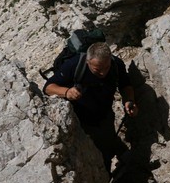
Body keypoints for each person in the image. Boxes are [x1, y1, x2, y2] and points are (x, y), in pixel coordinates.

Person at [43, 42, 138, 174]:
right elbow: (48, 87)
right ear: (88, 62)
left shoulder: (116, 64)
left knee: (105, 154)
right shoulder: (74, 65)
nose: (103, 72)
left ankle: (106, 182)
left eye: (106, 67)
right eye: (97, 69)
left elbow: (125, 85)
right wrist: (67, 92)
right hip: (78, 121)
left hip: (104, 117)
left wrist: (129, 100)